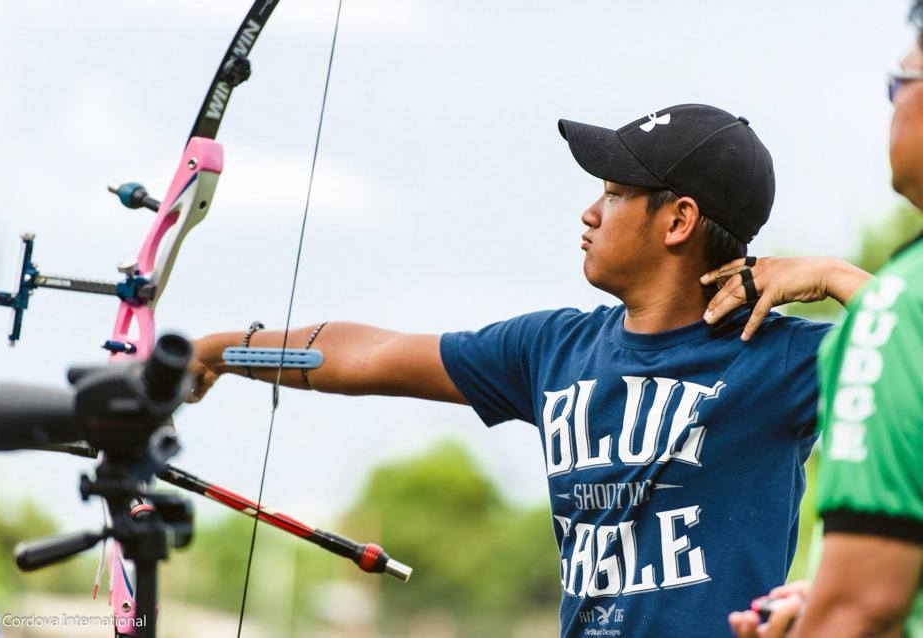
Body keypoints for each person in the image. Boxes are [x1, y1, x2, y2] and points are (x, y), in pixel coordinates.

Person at [190, 104, 869, 637]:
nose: (590, 212)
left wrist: (838, 276)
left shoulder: (782, 356)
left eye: (614, 193)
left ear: (678, 220)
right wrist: (214, 350)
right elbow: (368, 355)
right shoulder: (553, 349)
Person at [728, 4, 923, 638]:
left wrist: (830, 613)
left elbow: (860, 609)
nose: (891, 103)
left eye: (900, 81)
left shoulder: (897, 311)